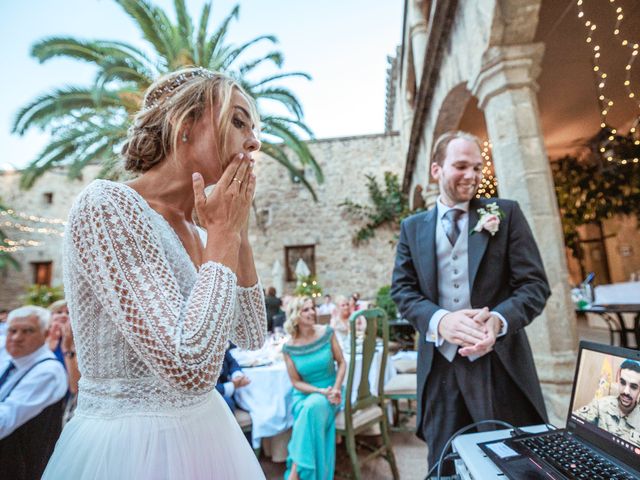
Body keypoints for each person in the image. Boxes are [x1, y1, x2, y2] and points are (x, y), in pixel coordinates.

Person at [42, 67, 267, 479]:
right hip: (128, 448)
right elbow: (189, 368)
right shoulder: (107, 206)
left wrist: (236, 234)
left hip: (206, 434)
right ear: (185, 123)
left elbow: (251, 334)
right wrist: (224, 234)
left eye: (254, 129)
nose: (253, 141)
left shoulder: (203, 231)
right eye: (238, 121)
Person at [391, 130, 550, 476]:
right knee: (444, 466)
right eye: (461, 166)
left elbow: (535, 286)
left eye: (477, 167)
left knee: (512, 465)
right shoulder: (412, 228)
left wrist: (499, 320)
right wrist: (439, 321)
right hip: (440, 372)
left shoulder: (505, 215)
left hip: (499, 368)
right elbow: (402, 291)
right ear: (436, 170)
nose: (472, 176)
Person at [0, 306, 67, 480]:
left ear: (46, 334)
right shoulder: (9, 358)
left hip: (18, 466)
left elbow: (5, 420)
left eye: (28, 331)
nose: (16, 337)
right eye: (12, 331)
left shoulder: (48, 371)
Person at [283, 296, 346, 480]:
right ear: (295, 316)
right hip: (304, 394)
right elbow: (295, 382)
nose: (312, 312)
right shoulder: (289, 347)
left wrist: (335, 389)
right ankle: (299, 472)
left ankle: (294, 474)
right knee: (308, 408)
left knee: (310, 409)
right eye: (306, 310)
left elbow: (342, 363)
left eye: (313, 308)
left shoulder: (327, 332)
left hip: (331, 393)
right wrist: (319, 391)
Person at [574, 359, 640, 446]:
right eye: (622, 382)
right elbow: (574, 421)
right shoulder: (601, 404)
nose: (626, 391)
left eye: (633, 387)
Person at [216, 344, 250, 411]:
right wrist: (232, 385)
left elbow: (232, 362)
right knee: (227, 403)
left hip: (227, 384)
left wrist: (237, 376)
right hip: (212, 393)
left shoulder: (219, 345)